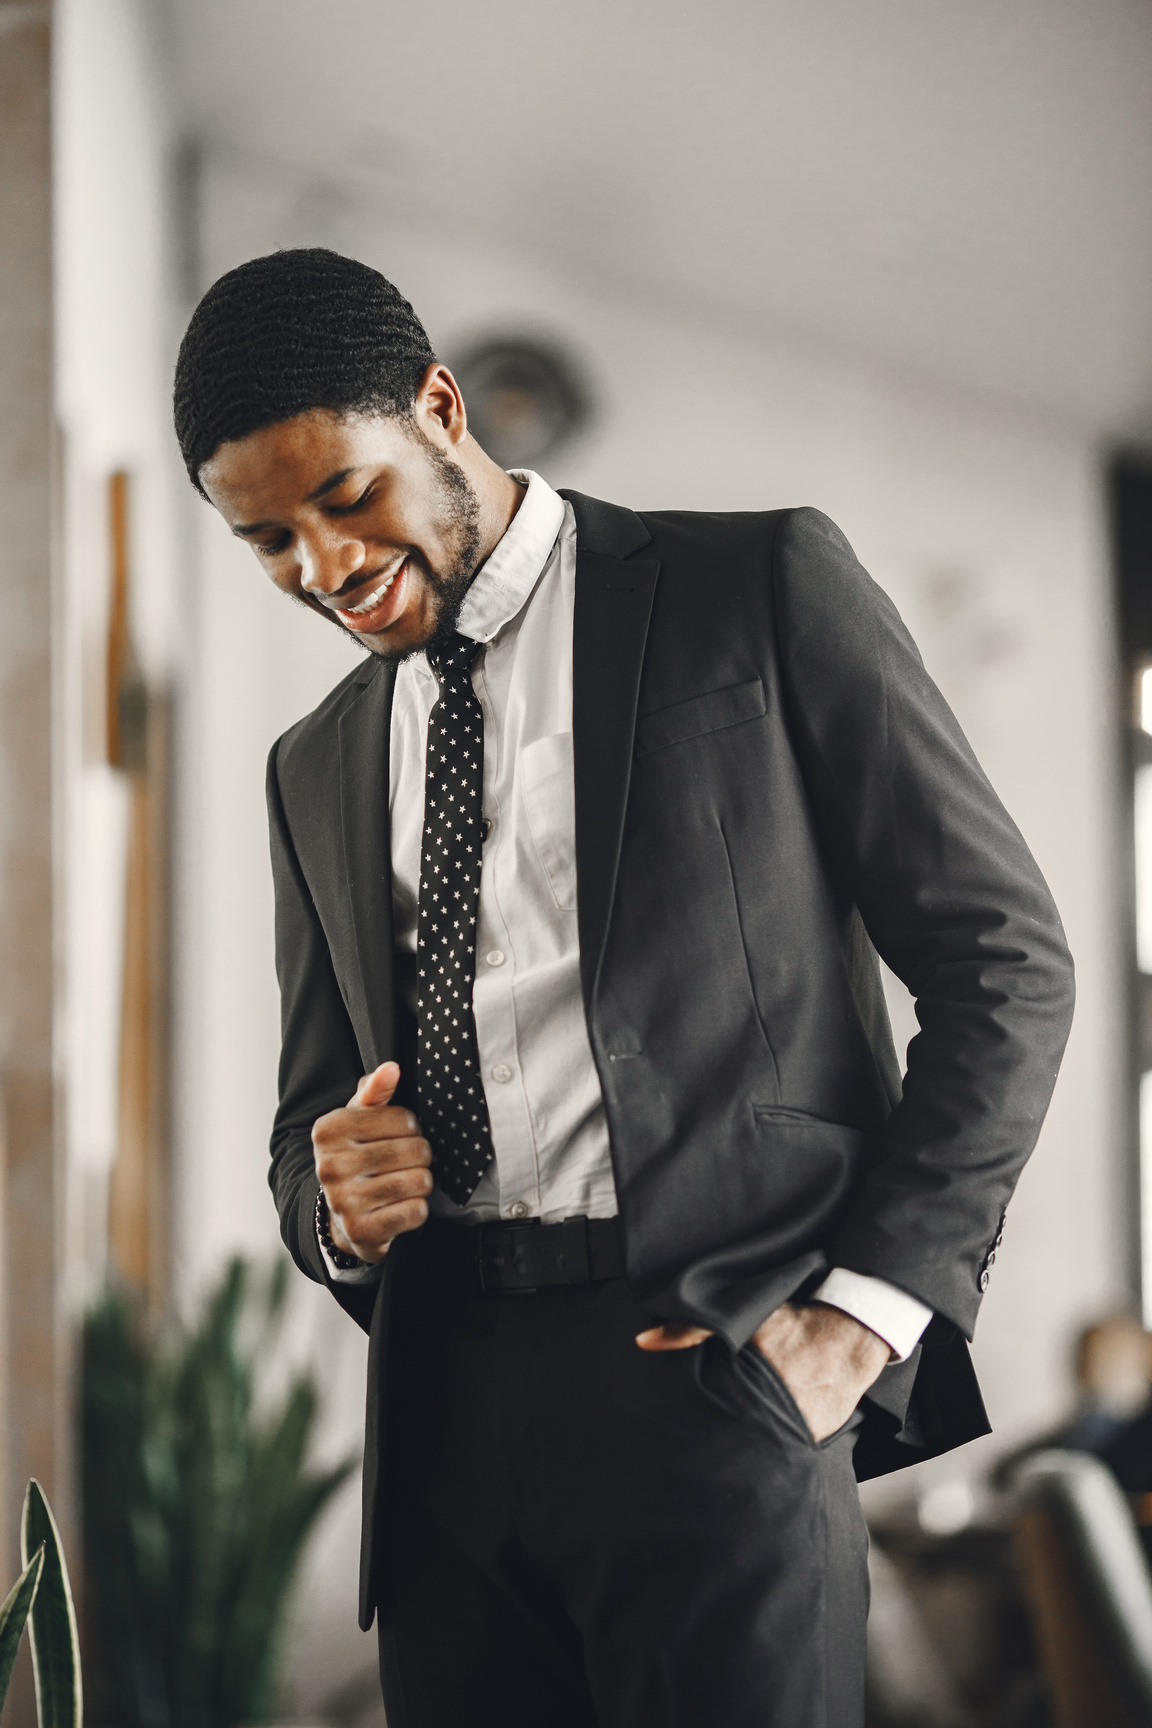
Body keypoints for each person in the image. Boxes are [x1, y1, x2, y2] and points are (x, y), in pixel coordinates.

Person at [172, 247, 1075, 1728]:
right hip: (447, 1417)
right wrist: (332, 1203)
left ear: (441, 406)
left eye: (346, 497)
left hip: (718, 1378)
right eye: (267, 540)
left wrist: (863, 1318)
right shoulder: (312, 765)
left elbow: (1007, 965)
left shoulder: (759, 587)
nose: (325, 569)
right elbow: (301, 1132)